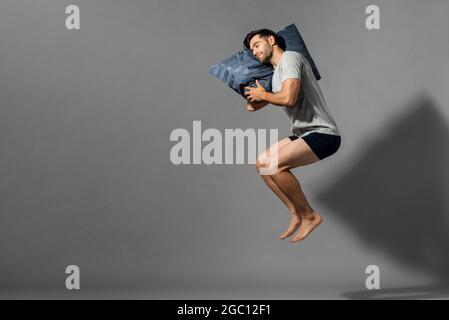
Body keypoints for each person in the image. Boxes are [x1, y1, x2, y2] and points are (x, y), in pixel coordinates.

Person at [243, 28, 341, 243]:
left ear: (271, 40)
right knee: (262, 163)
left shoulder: (290, 58)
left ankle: (310, 216)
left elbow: (288, 98)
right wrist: (256, 94)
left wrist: (264, 94)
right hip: (304, 133)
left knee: (275, 165)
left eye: (257, 45)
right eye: (251, 50)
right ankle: (295, 212)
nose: (254, 52)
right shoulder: (276, 72)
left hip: (323, 133)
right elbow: (252, 108)